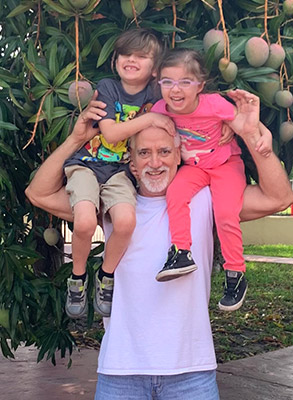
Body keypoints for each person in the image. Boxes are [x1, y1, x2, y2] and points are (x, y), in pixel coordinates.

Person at [25, 89, 293, 399]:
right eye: (144, 153)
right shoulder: (112, 205)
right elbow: (39, 193)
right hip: (120, 371)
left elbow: (279, 198)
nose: (155, 162)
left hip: (191, 372)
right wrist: (74, 140)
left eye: (165, 151)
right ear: (132, 162)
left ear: (179, 156)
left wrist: (252, 139)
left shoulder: (205, 199)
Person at [62, 28, 174, 318]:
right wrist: (149, 117)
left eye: (141, 56)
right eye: (126, 54)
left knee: (125, 223)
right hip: (87, 163)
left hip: (120, 172)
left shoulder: (156, 93)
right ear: (115, 60)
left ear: (154, 69)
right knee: (85, 222)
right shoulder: (109, 87)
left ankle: (106, 275)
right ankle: (78, 278)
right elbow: (110, 134)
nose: (132, 60)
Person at [151, 49, 273, 312]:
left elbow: (247, 124)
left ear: (200, 86)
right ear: (159, 83)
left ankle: (235, 274)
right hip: (194, 168)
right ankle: (181, 253)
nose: (175, 89)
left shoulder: (215, 104)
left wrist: (267, 136)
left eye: (185, 82)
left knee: (226, 213)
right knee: (175, 195)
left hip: (225, 165)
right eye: (167, 82)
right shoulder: (159, 110)